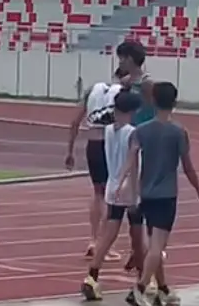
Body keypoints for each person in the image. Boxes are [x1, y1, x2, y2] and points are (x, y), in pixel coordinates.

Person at [118, 81, 199, 306]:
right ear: (175, 102)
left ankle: (162, 289)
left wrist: (122, 184)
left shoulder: (141, 131)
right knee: (157, 247)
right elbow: (187, 166)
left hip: (146, 193)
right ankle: (140, 287)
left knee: (154, 244)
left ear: (153, 101)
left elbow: (131, 160)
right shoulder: (178, 132)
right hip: (166, 195)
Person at [80, 89, 147, 302]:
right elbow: (133, 164)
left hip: (113, 184)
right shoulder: (133, 132)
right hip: (129, 188)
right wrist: (135, 192)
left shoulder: (109, 130)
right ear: (133, 111)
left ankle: (92, 276)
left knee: (108, 234)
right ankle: (143, 280)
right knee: (137, 236)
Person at [66, 68, 129, 262]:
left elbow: (74, 122)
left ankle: (93, 240)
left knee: (98, 193)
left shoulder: (93, 89)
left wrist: (70, 151)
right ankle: (105, 244)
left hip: (92, 144)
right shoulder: (124, 93)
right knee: (111, 196)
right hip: (111, 145)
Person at [117, 41, 155, 126]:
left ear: (129, 59)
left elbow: (152, 110)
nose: (119, 62)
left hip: (142, 126)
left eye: (121, 58)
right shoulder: (124, 81)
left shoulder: (146, 83)